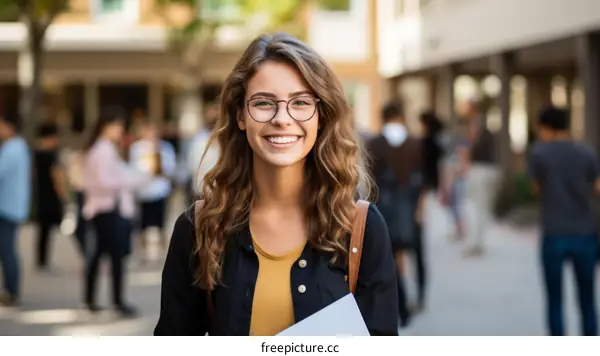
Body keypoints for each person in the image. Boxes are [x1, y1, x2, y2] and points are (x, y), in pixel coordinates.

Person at [154, 33, 398, 336]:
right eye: (263, 103)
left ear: (320, 116)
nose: (282, 118)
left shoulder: (361, 227)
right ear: (240, 115)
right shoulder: (200, 227)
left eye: (300, 103)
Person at [528, 106, 599, 336]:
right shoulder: (586, 151)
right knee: (587, 300)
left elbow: (534, 189)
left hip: (554, 231)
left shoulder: (539, 154)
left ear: (547, 128)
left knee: (555, 299)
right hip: (585, 232)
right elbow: (598, 187)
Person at [82, 107, 150, 317]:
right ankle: (116, 301)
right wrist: (132, 180)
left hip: (107, 209)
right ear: (105, 126)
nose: (120, 130)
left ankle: (93, 300)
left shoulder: (104, 148)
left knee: (101, 255)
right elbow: (104, 181)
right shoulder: (102, 150)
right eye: (117, 125)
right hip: (108, 210)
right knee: (115, 257)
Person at [367, 101, 422, 324]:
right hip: (407, 208)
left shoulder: (375, 143)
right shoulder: (413, 143)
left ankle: (401, 306)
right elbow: (420, 178)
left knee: (388, 259)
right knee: (406, 256)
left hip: (382, 209)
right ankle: (409, 303)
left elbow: (369, 180)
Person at [129, 121, 177, 261]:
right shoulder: (136, 148)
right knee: (143, 225)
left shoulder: (165, 148)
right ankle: (143, 254)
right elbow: (134, 169)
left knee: (161, 223)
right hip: (144, 191)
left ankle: (164, 253)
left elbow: (171, 168)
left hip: (160, 190)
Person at [459, 99, 499, 257]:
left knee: (474, 208)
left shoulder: (475, 123)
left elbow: (469, 144)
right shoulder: (480, 123)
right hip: (485, 168)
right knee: (480, 208)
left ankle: (475, 243)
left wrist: (465, 164)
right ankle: (477, 242)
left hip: (480, 169)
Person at [0, 115, 31, 306]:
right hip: (11, 205)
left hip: (7, 207)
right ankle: (11, 291)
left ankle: (12, 292)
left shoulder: (12, 149)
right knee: (7, 250)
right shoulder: (18, 147)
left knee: (7, 250)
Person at [33, 124, 68, 272]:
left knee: (43, 231)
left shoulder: (36, 153)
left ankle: (41, 260)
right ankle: (43, 261)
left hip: (40, 195)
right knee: (47, 230)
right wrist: (64, 195)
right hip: (50, 197)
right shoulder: (50, 155)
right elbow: (57, 176)